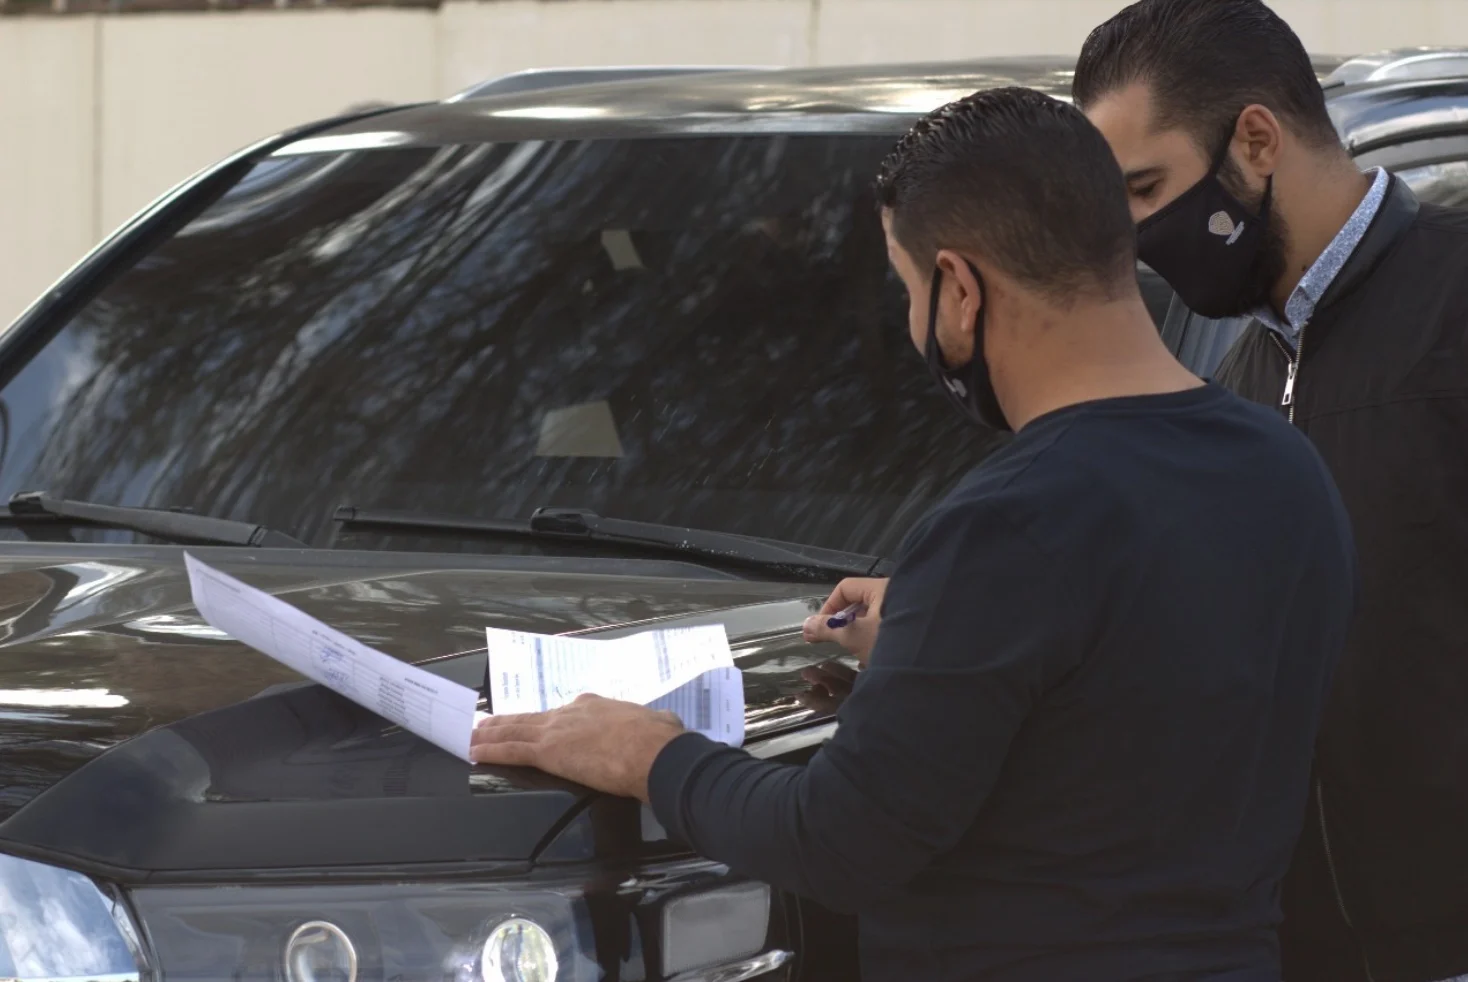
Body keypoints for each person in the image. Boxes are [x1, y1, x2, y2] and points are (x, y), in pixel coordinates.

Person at [470, 86, 1356, 982]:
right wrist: (951, 633)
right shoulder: (1288, 468)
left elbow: (838, 841)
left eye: (908, 287)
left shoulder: (1011, 522)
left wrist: (651, 754)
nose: (910, 321)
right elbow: (1153, 697)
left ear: (961, 289)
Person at [1072, 3, 1468, 980]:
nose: (1135, 236)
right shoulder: (1236, 380)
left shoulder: (1452, 306)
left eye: (1146, 188)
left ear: (1255, 140)